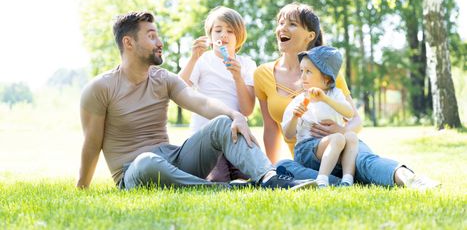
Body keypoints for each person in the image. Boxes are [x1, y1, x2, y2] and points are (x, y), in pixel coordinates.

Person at [77, 11, 316, 190]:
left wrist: (235, 115)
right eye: (151, 36)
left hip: (173, 159)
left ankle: (268, 178)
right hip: (134, 171)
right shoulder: (100, 88)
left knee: (224, 121)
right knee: (146, 161)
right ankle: (225, 188)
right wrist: (82, 188)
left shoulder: (164, 79)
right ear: (128, 43)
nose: (160, 42)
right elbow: (91, 143)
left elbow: (200, 102)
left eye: (157, 35)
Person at [254, 2, 439, 190]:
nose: (282, 28)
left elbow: (355, 120)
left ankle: (410, 178)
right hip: (308, 158)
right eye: (280, 22)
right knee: (282, 167)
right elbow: (271, 129)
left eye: (292, 24)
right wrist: (270, 173)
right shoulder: (263, 74)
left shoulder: (328, 75)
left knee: (364, 159)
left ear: (310, 35)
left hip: (342, 146)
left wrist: (339, 133)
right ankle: (340, 182)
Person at [179, 6, 256, 182]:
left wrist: (237, 77)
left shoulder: (247, 64)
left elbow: (247, 110)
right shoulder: (202, 60)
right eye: (218, 30)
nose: (223, 35)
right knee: (218, 179)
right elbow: (179, 89)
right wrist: (193, 58)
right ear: (210, 36)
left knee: (252, 177)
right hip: (206, 136)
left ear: (239, 37)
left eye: (230, 31)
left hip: (236, 135)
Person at [282, 46, 358, 188]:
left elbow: (349, 113)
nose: (302, 76)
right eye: (301, 71)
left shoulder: (335, 94)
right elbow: (288, 134)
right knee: (338, 138)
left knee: (352, 137)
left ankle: (347, 180)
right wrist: (295, 117)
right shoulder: (300, 100)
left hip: (333, 152)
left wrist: (325, 99)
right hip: (306, 151)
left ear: (326, 79)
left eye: (308, 72)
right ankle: (321, 181)